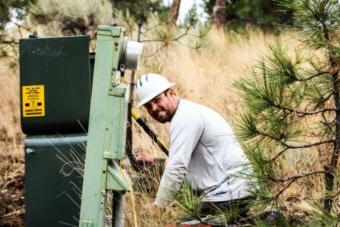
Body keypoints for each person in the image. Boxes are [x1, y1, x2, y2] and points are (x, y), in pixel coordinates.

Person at [135, 73, 253, 219]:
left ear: (171, 93)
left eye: (157, 100)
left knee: (177, 221)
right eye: (148, 106)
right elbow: (190, 163)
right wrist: (157, 162)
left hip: (228, 195)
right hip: (239, 190)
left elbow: (177, 168)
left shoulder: (185, 118)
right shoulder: (188, 112)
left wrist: (158, 207)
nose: (154, 108)